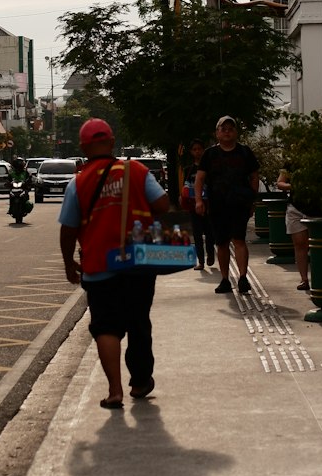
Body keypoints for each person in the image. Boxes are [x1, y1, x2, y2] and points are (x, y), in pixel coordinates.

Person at [58, 118, 169, 409]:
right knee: (138, 322)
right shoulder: (136, 171)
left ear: (83, 148)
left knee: (106, 327)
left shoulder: (78, 182)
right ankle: (141, 381)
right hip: (138, 263)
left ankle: (115, 391)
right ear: (111, 141)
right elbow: (162, 205)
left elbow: (68, 229)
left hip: (98, 267)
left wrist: (69, 262)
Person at [194, 116, 260, 296]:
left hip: (239, 204)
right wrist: (199, 200)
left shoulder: (245, 153)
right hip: (217, 205)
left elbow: (254, 177)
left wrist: (252, 200)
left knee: (239, 239)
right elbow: (200, 179)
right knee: (221, 242)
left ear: (236, 132)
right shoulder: (209, 154)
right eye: (223, 129)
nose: (227, 132)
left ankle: (243, 277)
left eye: (231, 128)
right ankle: (225, 279)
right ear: (217, 133)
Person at [276, 169, 311, 291]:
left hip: (317, 208)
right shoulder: (291, 163)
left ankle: (318, 277)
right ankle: (304, 278)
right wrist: (294, 186)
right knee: (299, 243)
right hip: (295, 207)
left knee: (317, 245)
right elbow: (280, 183)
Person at [182, 138, 214, 270]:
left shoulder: (210, 167)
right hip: (194, 205)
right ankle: (201, 261)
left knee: (210, 232)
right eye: (194, 149)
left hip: (209, 204)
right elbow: (185, 185)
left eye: (199, 149)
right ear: (191, 152)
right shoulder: (188, 169)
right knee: (197, 234)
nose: (197, 152)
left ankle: (211, 255)